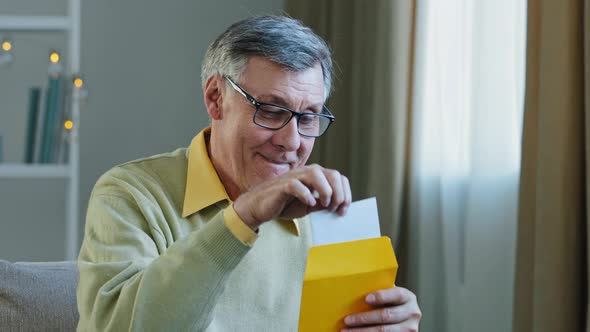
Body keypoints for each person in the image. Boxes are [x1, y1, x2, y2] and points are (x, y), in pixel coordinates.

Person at [77, 15, 421, 331]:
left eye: (307, 118)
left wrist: (389, 322)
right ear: (215, 98)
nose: (292, 141)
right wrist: (243, 217)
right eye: (271, 111)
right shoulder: (129, 195)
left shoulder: (328, 216)